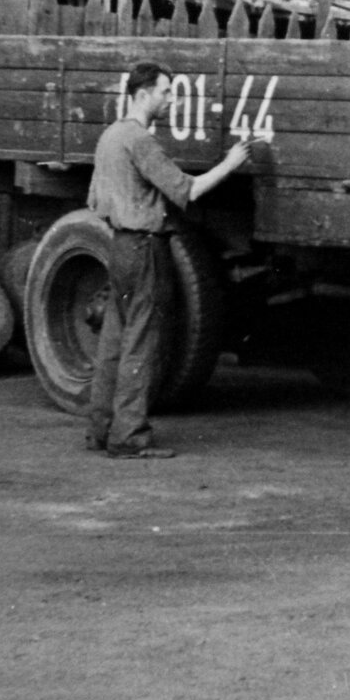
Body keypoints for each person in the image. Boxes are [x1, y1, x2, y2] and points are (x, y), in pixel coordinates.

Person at [86, 61, 252, 458]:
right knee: (143, 344)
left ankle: (101, 429)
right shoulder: (140, 140)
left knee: (113, 341)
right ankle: (128, 438)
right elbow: (189, 190)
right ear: (143, 95)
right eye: (166, 92)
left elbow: (95, 200)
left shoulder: (109, 137)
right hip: (145, 249)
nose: (171, 99)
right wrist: (231, 163)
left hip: (120, 246)